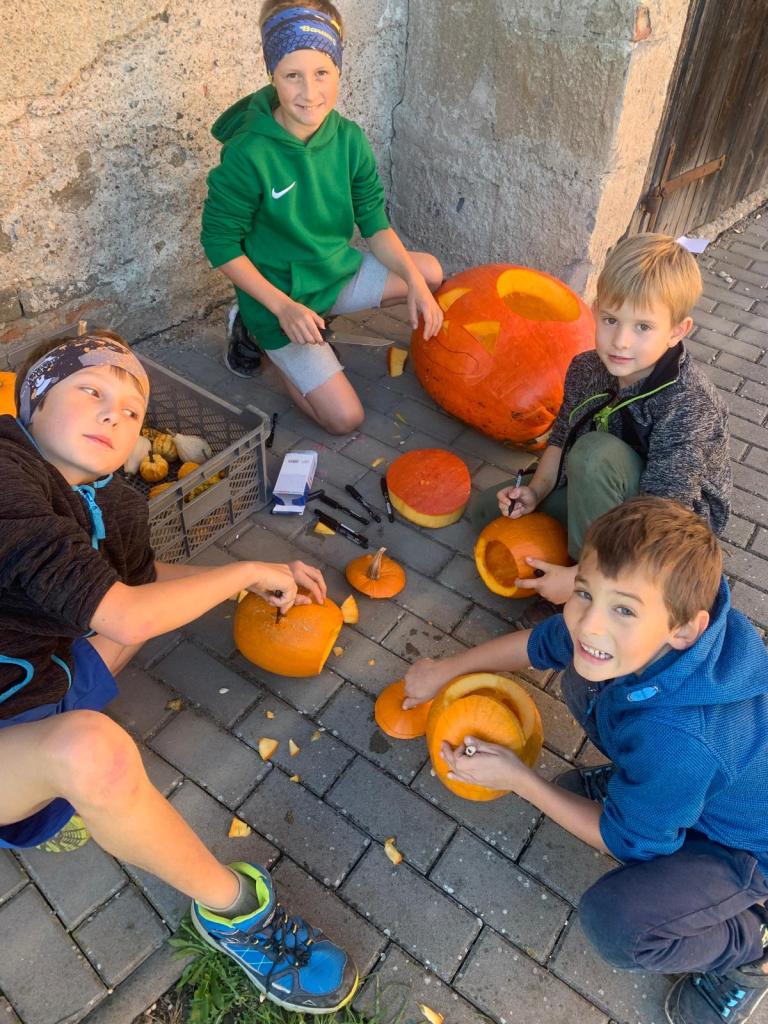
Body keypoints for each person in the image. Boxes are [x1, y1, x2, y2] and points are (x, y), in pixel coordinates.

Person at [0, 332, 358, 1014]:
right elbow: (128, 614)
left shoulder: (116, 500)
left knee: (114, 660)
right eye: (91, 390)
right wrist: (243, 571)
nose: (114, 413)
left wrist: (246, 582)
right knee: (95, 756)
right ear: (33, 402)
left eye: (132, 409)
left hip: (26, 686)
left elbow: (138, 586)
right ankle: (238, 915)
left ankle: (44, 788)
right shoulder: (3, 468)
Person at [405, 497, 768, 1024]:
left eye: (624, 609)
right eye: (584, 593)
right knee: (584, 673)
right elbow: (544, 642)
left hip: (746, 850)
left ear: (686, 629)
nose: (589, 623)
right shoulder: (662, 638)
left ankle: (749, 948)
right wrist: (446, 670)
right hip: (692, 779)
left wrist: (518, 778)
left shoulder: (680, 741)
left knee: (618, 923)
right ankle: (645, 793)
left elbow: (630, 844)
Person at [200, 0, 443, 434]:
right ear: (272, 73)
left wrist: (413, 282)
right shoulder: (247, 153)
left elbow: (375, 224)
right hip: (279, 300)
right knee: (345, 419)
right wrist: (283, 308)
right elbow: (219, 242)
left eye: (321, 73)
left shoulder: (349, 139)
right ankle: (255, 334)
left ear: (339, 70)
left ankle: (319, 322)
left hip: (333, 275)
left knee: (428, 274)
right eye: (292, 75)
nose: (309, 92)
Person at [470, 234, 731, 605]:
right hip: (602, 483)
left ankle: (591, 594)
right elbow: (562, 436)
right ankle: (589, 555)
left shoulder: (688, 403)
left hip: (669, 522)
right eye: (611, 320)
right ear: (595, 310)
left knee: (594, 454)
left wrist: (581, 578)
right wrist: (536, 491)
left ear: (677, 331)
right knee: (486, 514)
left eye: (643, 327)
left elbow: (664, 512)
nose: (620, 341)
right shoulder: (586, 368)